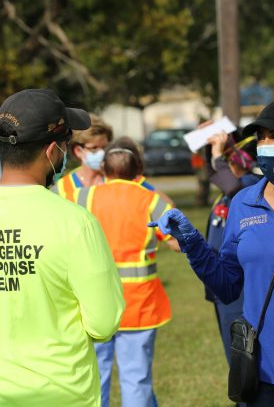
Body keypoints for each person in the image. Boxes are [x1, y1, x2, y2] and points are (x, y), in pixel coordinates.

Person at [150, 100, 274, 406]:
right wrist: (192, 243)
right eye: (262, 137)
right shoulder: (243, 203)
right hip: (261, 368)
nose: (266, 145)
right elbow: (228, 285)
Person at [0, 88, 125, 407]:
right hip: (66, 395)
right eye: (66, 145)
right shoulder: (75, 222)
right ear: (52, 151)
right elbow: (104, 322)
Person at [75, 146, 179, 407]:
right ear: (137, 172)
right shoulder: (151, 200)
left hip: (95, 303)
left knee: (95, 376)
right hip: (140, 306)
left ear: (104, 169)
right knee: (136, 378)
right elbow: (178, 243)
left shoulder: (83, 198)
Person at [202, 125, 261, 365]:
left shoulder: (250, 185)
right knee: (235, 358)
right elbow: (217, 175)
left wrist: (217, 154)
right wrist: (210, 145)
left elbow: (231, 184)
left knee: (245, 359)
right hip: (224, 288)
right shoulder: (225, 193)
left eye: (226, 158)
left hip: (242, 290)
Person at [52, 113, 113, 201]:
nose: (102, 153)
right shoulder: (61, 189)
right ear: (78, 151)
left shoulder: (116, 180)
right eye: (94, 148)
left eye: (105, 147)